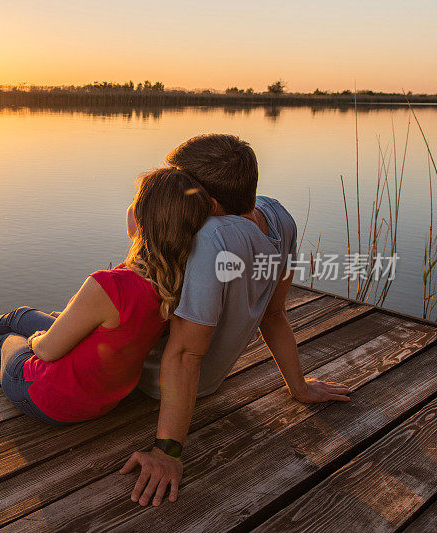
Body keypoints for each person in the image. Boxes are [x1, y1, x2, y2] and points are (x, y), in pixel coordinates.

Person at [120, 134, 353, 507]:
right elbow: (274, 314)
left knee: (33, 337)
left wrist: (167, 452)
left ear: (210, 205)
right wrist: (299, 385)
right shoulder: (279, 218)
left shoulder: (210, 238)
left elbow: (183, 354)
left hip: (149, 379)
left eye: (179, 187)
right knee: (47, 321)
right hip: (208, 383)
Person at [0, 167, 210, 426]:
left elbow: (47, 351)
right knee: (22, 314)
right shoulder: (174, 283)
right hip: (104, 398)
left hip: (45, 397)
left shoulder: (109, 285)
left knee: (8, 337)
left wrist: (37, 340)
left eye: (135, 200)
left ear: (141, 217)